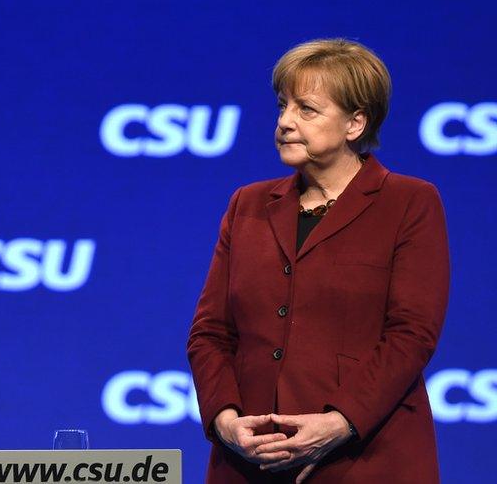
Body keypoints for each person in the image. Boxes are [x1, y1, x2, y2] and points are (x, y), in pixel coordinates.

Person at [186, 39, 449, 483]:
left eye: (306, 109)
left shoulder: (410, 202)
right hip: (250, 460)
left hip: (366, 459)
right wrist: (225, 420)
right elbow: (210, 332)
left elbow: (412, 334)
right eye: (282, 106)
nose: (284, 122)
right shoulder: (247, 204)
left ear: (355, 123)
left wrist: (339, 423)